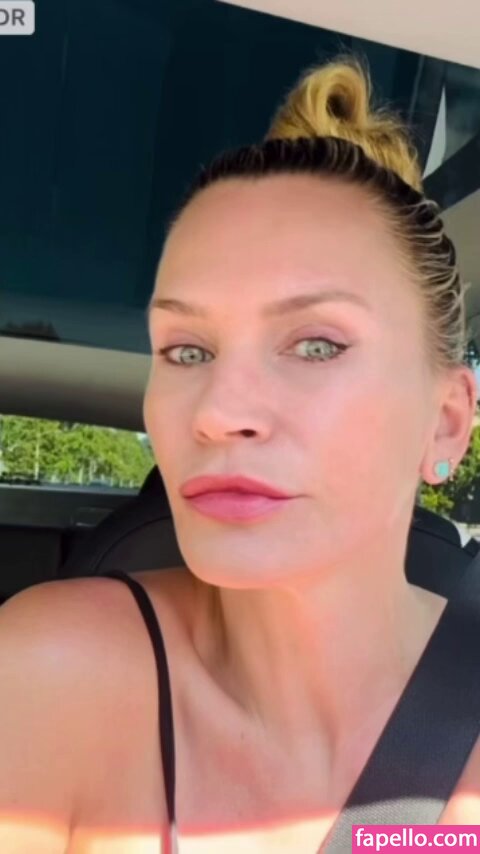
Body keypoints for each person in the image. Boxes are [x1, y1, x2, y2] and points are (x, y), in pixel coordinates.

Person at [0, 57, 478, 853]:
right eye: (186, 351)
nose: (218, 413)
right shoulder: (42, 676)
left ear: (447, 423)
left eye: (317, 344)